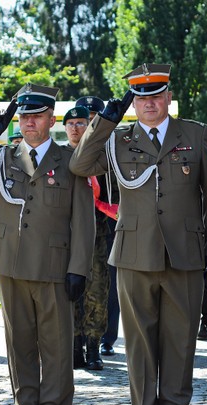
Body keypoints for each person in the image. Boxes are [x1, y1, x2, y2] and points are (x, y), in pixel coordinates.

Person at [70, 64, 207, 405]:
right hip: (134, 252)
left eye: (156, 96)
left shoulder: (193, 134)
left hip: (184, 252)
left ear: (169, 97)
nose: (149, 103)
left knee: (180, 340)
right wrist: (104, 122)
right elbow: (79, 165)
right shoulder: (117, 139)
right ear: (133, 104)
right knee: (139, 342)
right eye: (141, 98)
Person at [0, 83, 95, 405]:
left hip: (54, 265)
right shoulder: (3, 156)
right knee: (19, 347)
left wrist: (79, 267)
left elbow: (83, 218)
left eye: (36, 116)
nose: (29, 122)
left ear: (51, 119)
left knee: (56, 347)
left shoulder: (69, 160)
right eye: (23, 116)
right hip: (11, 265)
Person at [76, 96, 122, 360]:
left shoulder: (112, 150)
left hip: (108, 223)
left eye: (96, 115)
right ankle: (80, 338)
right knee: (80, 285)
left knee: (107, 286)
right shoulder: (72, 151)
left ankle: (106, 338)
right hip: (79, 227)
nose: (92, 120)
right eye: (87, 116)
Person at [64, 105, 109, 370]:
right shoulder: (59, 157)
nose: (75, 127)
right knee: (70, 290)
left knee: (97, 290)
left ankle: (93, 346)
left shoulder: (101, 158)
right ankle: (74, 346)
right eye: (70, 123)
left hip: (98, 230)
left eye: (81, 123)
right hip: (67, 233)